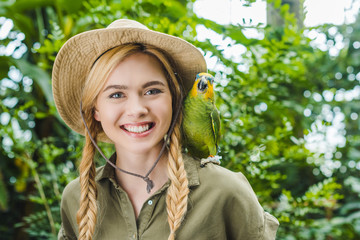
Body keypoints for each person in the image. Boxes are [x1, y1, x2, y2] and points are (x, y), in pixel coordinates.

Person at [52, 19, 279, 240]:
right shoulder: (77, 198)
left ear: (174, 100)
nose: (137, 109)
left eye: (152, 91)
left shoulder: (225, 191)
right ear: (95, 110)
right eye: (116, 94)